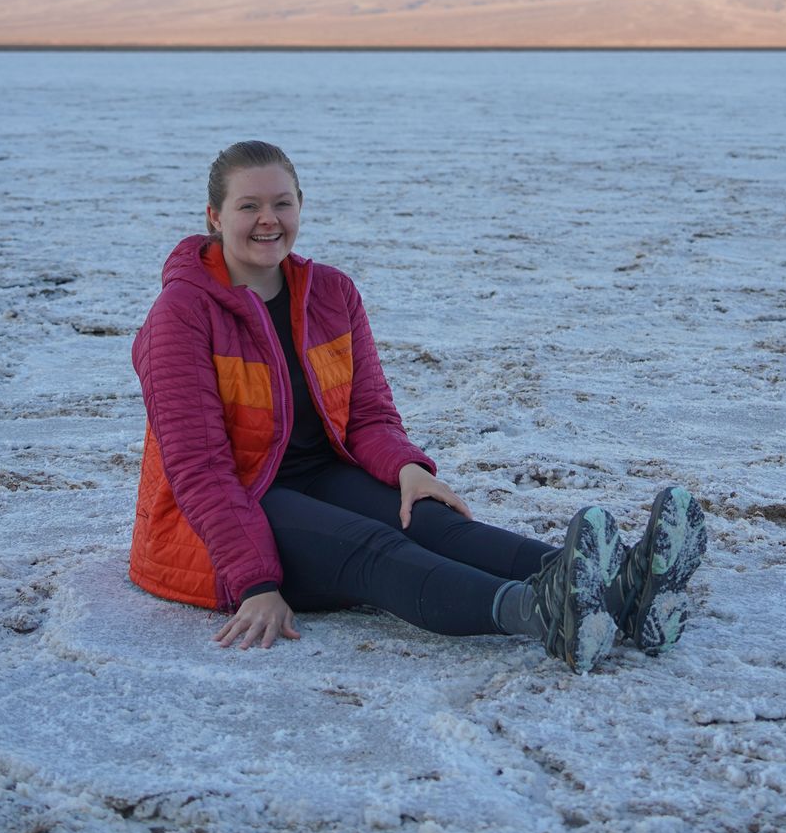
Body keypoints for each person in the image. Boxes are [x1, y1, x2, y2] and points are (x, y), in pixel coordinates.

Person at [129, 139, 708, 674]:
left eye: (282, 203)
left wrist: (407, 469)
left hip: (318, 476)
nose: (267, 220)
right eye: (248, 206)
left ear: (300, 206)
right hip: (219, 514)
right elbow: (198, 470)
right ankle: (545, 613)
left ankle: (626, 589)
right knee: (372, 548)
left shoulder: (330, 293)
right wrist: (254, 581)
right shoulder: (181, 314)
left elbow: (369, 414)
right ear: (214, 217)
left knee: (433, 523)